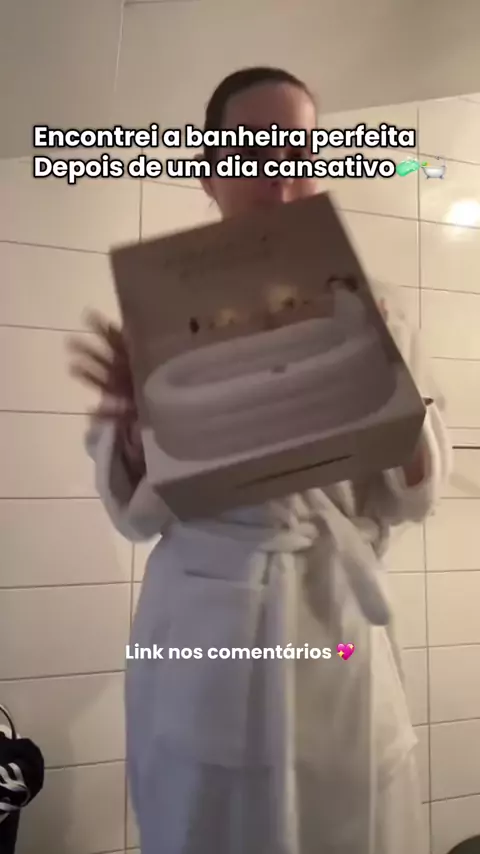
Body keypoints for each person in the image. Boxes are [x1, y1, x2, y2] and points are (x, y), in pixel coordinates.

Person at [69, 67, 451, 854]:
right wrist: (137, 433)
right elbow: (133, 516)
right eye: (251, 153)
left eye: (298, 153)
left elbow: (413, 497)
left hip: (334, 626)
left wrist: (388, 380)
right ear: (208, 172)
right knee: (206, 821)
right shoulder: (155, 323)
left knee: (351, 820)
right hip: (205, 632)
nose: (279, 179)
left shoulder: (378, 308)